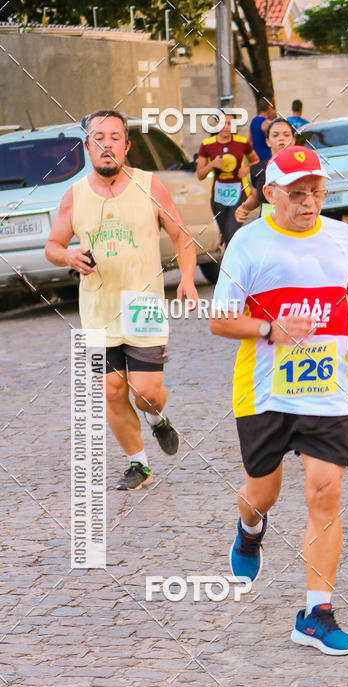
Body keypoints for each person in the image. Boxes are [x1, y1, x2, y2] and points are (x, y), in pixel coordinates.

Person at [210, 145, 348, 655]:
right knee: (262, 493)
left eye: (316, 191)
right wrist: (272, 327)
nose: (309, 201)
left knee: (324, 493)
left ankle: (316, 614)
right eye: (296, 193)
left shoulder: (342, 236)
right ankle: (250, 528)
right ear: (270, 194)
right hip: (265, 391)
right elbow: (220, 320)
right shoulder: (248, 244)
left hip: (327, 391)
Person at [45, 109, 199, 490]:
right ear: (87, 147)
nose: (107, 144)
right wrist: (67, 257)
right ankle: (139, 464)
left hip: (142, 305)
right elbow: (53, 245)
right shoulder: (74, 196)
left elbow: (182, 236)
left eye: (115, 137)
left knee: (144, 392)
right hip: (98, 311)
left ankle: (155, 417)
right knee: (113, 391)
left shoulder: (151, 185)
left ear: (127, 146)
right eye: (99, 138)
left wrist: (189, 281)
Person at [196, 113, 258, 247]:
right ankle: (225, 263)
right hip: (218, 197)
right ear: (216, 123)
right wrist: (212, 164)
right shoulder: (207, 145)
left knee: (231, 233)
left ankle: (232, 266)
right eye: (223, 123)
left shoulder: (242, 143)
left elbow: (256, 161)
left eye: (230, 124)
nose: (226, 127)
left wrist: (247, 169)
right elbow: (200, 175)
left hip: (239, 194)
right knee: (225, 235)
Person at [235, 117, 295, 223]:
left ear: (293, 140)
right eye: (275, 135)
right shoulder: (259, 169)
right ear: (268, 141)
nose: (281, 139)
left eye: (286, 135)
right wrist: (244, 208)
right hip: (267, 226)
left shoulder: (302, 167)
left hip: (294, 224)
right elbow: (256, 197)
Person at [249, 96, 276, 161]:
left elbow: (249, 141)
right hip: (267, 159)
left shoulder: (254, 121)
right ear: (269, 107)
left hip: (256, 159)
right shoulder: (267, 123)